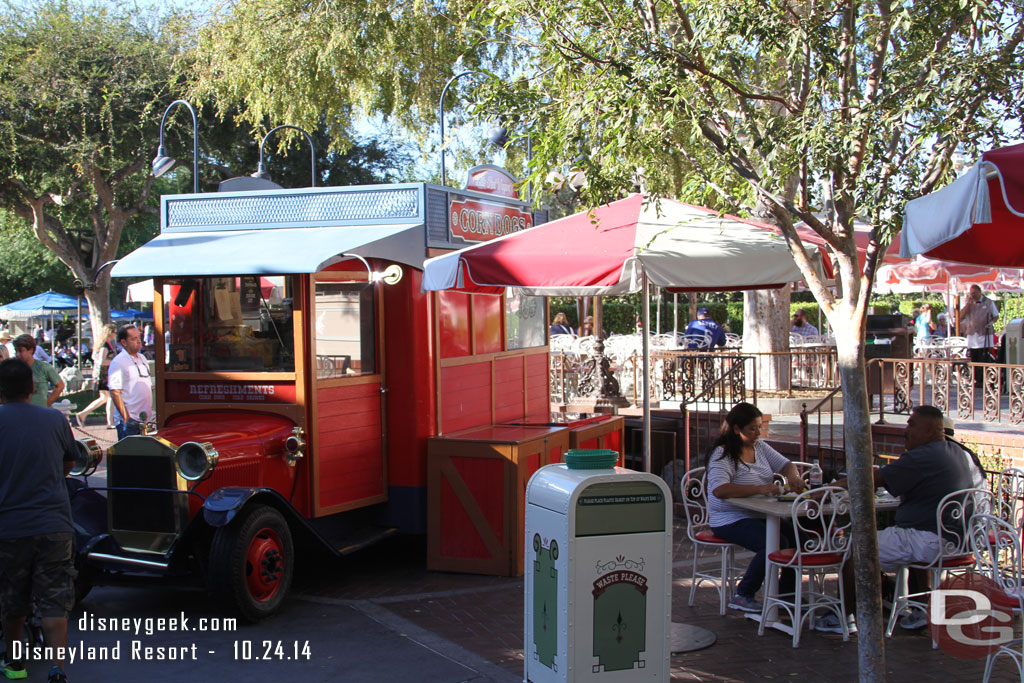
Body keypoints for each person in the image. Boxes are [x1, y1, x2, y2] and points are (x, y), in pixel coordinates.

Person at [823, 405, 974, 633]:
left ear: (932, 430)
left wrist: (829, 488)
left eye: (912, 424)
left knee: (857, 548)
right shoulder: (954, 452)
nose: (906, 430)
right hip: (957, 541)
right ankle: (921, 609)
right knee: (907, 537)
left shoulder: (922, 456)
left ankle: (842, 617)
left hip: (931, 541)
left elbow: (871, 478)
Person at [0, 358, 77, 683]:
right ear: (32, 388)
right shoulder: (54, 419)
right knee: (54, 598)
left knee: (12, 598)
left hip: (9, 527)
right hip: (55, 524)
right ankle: (57, 668)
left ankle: (15, 663)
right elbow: (69, 462)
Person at [707, 402, 807, 613]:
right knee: (775, 542)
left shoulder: (759, 447)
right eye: (752, 428)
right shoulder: (722, 454)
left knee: (799, 537)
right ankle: (743, 594)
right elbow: (720, 490)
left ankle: (787, 595)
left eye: (759, 427)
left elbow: (787, 465)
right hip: (728, 518)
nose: (757, 433)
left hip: (759, 513)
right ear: (736, 429)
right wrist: (760, 488)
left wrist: (793, 477)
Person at [107, 325, 153, 440]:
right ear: (124, 342)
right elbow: (115, 392)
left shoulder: (142, 358)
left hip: (145, 420)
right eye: (133, 339)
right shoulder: (118, 362)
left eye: (139, 337)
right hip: (129, 422)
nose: (138, 341)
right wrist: (126, 418)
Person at [74, 323, 117, 429]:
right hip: (104, 375)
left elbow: (94, 357)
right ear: (110, 333)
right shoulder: (105, 346)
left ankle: (83, 414)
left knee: (104, 398)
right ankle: (110, 422)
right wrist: (114, 361)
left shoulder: (101, 344)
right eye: (114, 332)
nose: (115, 334)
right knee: (110, 397)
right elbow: (102, 361)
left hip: (101, 375)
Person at [12, 334, 64, 408]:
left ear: (31, 350)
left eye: (20, 351)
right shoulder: (13, 368)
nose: (17, 354)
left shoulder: (43, 367)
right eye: (16, 351)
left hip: (39, 411)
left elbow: (60, 386)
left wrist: (48, 403)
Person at [960, 284, 998, 384]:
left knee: (985, 357)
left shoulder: (989, 302)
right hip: (973, 335)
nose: (973, 295)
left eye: (975, 293)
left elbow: (996, 316)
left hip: (985, 334)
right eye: (971, 293)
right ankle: (977, 379)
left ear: (979, 292)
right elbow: (960, 316)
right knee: (974, 357)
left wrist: (991, 323)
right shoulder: (969, 303)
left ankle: (986, 379)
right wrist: (968, 304)